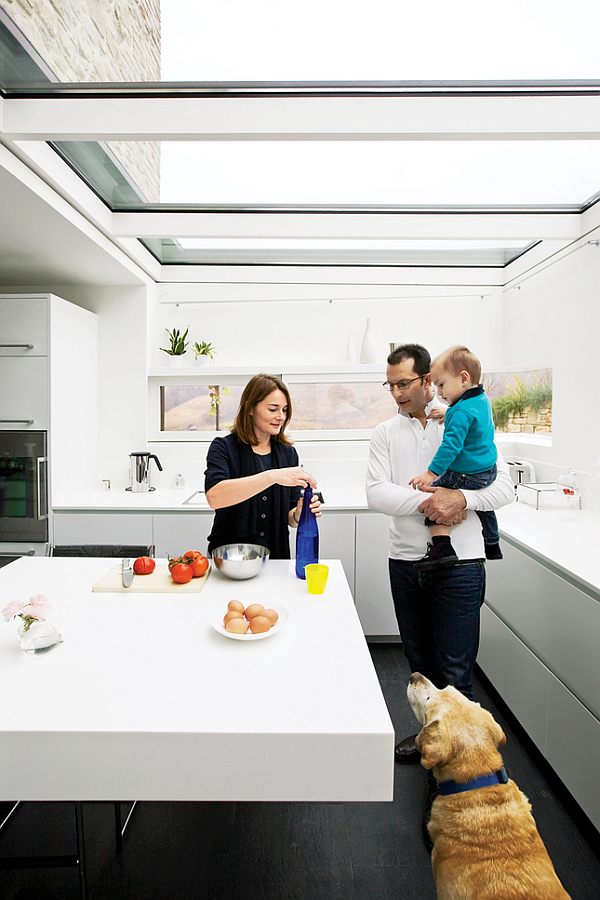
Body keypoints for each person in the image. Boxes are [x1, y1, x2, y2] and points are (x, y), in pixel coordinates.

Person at [365, 343, 513, 769]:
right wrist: (435, 504)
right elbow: (376, 494)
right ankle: (432, 741)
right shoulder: (384, 434)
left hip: (462, 566)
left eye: (405, 383)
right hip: (405, 563)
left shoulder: (459, 417)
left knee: (455, 675)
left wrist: (460, 498)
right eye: (390, 385)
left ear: (428, 379)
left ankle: (457, 775)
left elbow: (503, 488)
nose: (396, 393)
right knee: (421, 668)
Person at [204, 373, 321, 558]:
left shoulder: (288, 454)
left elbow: (289, 516)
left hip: (275, 558)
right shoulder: (224, 447)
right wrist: (272, 476)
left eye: (284, 410)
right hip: (229, 558)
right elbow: (215, 497)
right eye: (273, 409)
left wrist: (299, 513)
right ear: (250, 408)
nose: (280, 416)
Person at [409, 345, 502, 571]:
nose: (439, 393)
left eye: (441, 385)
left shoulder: (459, 411)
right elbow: (468, 413)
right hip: (488, 470)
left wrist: (431, 474)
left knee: (435, 500)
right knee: (484, 506)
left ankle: (442, 548)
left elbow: (450, 447)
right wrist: (447, 412)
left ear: (463, 378)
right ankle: (492, 542)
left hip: (466, 472)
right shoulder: (481, 400)